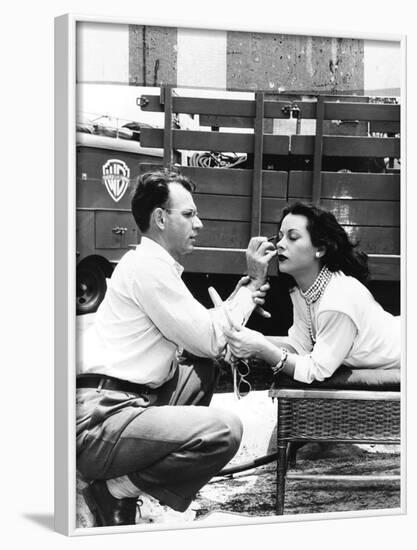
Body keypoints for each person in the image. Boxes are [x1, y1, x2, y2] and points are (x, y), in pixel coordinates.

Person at [76, 169, 276, 527]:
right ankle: (116, 490)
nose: (198, 223)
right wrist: (250, 289)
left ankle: (131, 492)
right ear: (160, 218)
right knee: (223, 431)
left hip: (123, 404)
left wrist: (241, 295)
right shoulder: (150, 268)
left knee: (201, 369)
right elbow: (211, 338)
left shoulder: (151, 264)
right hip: (101, 421)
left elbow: (203, 335)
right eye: (188, 214)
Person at [225, 202, 400, 384]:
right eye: (280, 237)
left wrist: (260, 347)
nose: (280, 245)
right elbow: (300, 345)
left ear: (320, 249)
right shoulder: (303, 289)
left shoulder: (338, 299)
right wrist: (249, 339)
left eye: (293, 237)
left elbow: (316, 370)